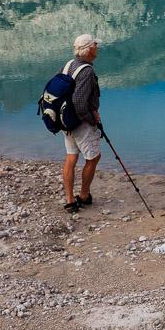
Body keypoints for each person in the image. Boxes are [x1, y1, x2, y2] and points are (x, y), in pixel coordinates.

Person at [62, 33, 102, 213]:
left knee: (71, 157)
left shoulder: (69, 65)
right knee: (93, 158)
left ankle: (70, 200)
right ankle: (84, 195)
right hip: (80, 123)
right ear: (90, 49)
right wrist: (92, 119)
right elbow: (79, 102)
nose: (97, 47)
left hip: (66, 120)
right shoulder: (87, 71)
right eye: (95, 45)